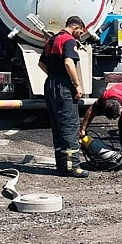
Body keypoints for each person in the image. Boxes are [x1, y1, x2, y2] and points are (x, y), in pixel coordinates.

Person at [38, 16, 89, 178]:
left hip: (50, 83)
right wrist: (77, 84)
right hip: (63, 86)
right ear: (75, 27)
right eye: (80, 32)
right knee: (69, 125)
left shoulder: (52, 40)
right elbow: (68, 62)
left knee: (58, 127)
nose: (80, 35)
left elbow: (41, 63)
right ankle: (72, 166)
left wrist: (53, 76)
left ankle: (61, 165)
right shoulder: (69, 41)